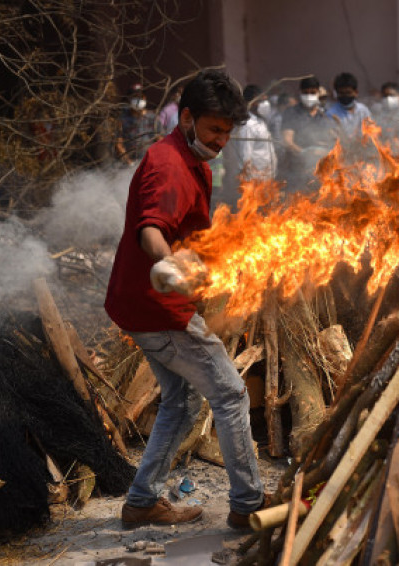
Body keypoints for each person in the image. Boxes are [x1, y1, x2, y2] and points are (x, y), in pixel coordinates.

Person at [105, 69, 267, 530]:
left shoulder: (187, 157)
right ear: (188, 117)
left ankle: (140, 503)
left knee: (180, 402)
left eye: (228, 133)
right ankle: (248, 504)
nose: (221, 142)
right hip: (158, 310)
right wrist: (169, 266)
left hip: (138, 302)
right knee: (231, 395)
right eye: (215, 130)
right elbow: (152, 229)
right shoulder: (170, 165)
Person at [221, 84, 278, 207]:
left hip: (266, 179)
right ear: (251, 102)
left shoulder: (260, 121)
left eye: (265, 99)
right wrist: (249, 185)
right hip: (254, 183)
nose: (265, 103)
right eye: (261, 100)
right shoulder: (247, 125)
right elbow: (244, 157)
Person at [280, 76, 337, 193]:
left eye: (312, 92)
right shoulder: (291, 113)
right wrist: (306, 153)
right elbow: (287, 141)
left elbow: (334, 140)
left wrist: (326, 151)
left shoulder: (324, 115)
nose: (309, 96)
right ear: (300, 93)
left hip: (321, 171)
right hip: (297, 170)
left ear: (318, 93)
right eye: (305, 92)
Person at [115, 83, 161, 166]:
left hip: (150, 163)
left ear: (145, 98)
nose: (139, 99)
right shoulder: (123, 119)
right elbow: (119, 143)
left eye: (141, 97)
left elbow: (160, 140)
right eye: (135, 97)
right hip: (129, 165)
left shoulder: (153, 118)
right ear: (129, 99)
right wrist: (129, 162)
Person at [326, 72, 372, 142]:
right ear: (337, 94)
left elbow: (371, 130)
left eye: (348, 92)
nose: (345, 96)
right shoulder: (331, 113)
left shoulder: (363, 110)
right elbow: (333, 138)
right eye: (341, 93)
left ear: (356, 92)